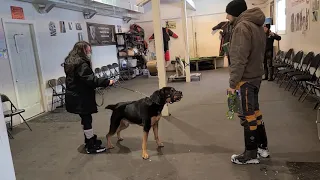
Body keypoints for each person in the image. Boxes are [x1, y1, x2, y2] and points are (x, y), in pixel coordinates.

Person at [226, 0, 269, 165]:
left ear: (235, 13)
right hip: (256, 76)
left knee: (247, 115)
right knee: (255, 112)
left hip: (246, 78)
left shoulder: (242, 27)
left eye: (228, 13)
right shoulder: (256, 24)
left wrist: (232, 83)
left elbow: (239, 58)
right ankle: (262, 148)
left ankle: (250, 154)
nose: (227, 16)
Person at [63, 41, 114, 154]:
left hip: (74, 95)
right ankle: (90, 146)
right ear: (83, 50)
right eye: (88, 51)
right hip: (81, 97)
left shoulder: (70, 62)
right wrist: (107, 82)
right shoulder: (81, 64)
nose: (90, 53)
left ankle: (89, 139)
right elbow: (91, 80)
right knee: (87, 120)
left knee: (85, 119)